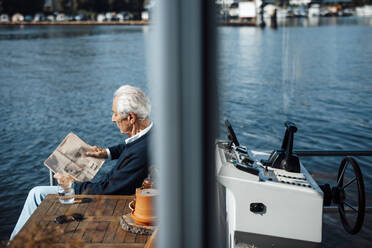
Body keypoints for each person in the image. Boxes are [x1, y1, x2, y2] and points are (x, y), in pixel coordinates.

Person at [10, 85, 152, 240]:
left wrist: (71, 184)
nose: (113, 119)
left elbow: (108, 191)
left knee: (36, 194)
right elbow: (130, 145)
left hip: (111, 202)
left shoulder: (140, 152)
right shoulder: (150, 135)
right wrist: (107, 153)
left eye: (115, 114)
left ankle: (14, 242)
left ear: (131, 118)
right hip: (114, 193)